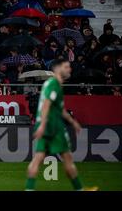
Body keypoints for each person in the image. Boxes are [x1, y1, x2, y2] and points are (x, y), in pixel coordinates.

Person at [25, 59, 98, 191]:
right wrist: (43, 125)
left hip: (46, 125)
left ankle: (29, 189)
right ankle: (80, 189)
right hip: (53, 127)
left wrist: (72, 122)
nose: (69, 69)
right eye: (66, 67)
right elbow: (47, 104)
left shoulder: (52, 84)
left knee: (37, 159)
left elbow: (60, 109)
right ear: (57, 69)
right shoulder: (54, 84)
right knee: (67, 158)